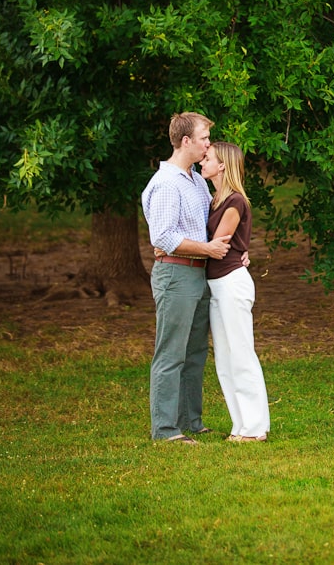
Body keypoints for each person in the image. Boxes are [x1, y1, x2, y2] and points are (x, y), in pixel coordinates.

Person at [141, 112, 232, 445]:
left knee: (195, 353)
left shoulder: (194, 180)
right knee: (171, 353)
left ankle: (190, 421)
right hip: (176, 273)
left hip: (198, 274)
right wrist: (207, 249)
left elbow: (211, 222)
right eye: (205, 138)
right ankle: (165, 430)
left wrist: (232, 252)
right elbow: (163, 236)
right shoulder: (166, 183)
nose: (209, 144)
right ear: (185, 142)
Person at [201, 141, 270, 443]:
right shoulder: (214, 199)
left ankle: (256, 428)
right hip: (217, 286)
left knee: (241, 355)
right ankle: (240, 425)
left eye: (208, 158)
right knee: (225, 359)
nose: (202, 160)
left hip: (231, 283)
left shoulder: (235, 202)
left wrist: (173, 245)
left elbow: (216, 246)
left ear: (222, 166)